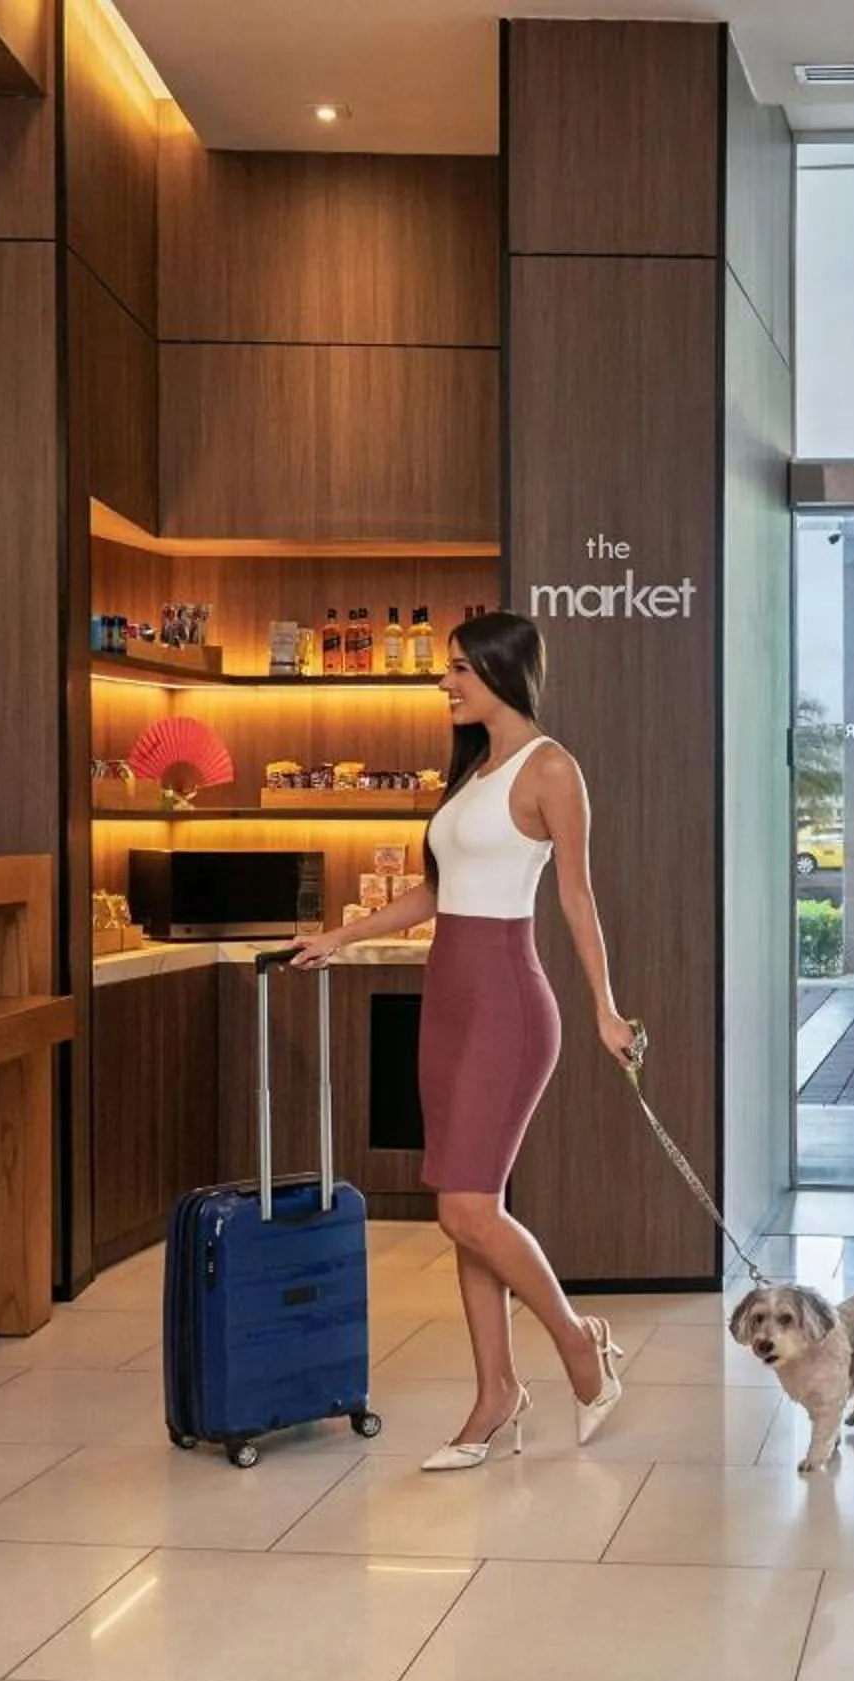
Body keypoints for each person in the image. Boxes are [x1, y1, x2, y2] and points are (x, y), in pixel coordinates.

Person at [293, 610, 639, 1471]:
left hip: (508, 1005)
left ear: (499, 669)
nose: (443, 682)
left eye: (456, 669)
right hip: (447, 999)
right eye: (443, 669)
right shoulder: (474, 770)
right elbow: (435, 893)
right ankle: (496, 1393)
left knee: (465, 1207)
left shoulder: (550, 767)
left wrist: (605, 1007)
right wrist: (344, 935)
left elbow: (577, 898)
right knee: (468, 1206)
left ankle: (576, 1344)